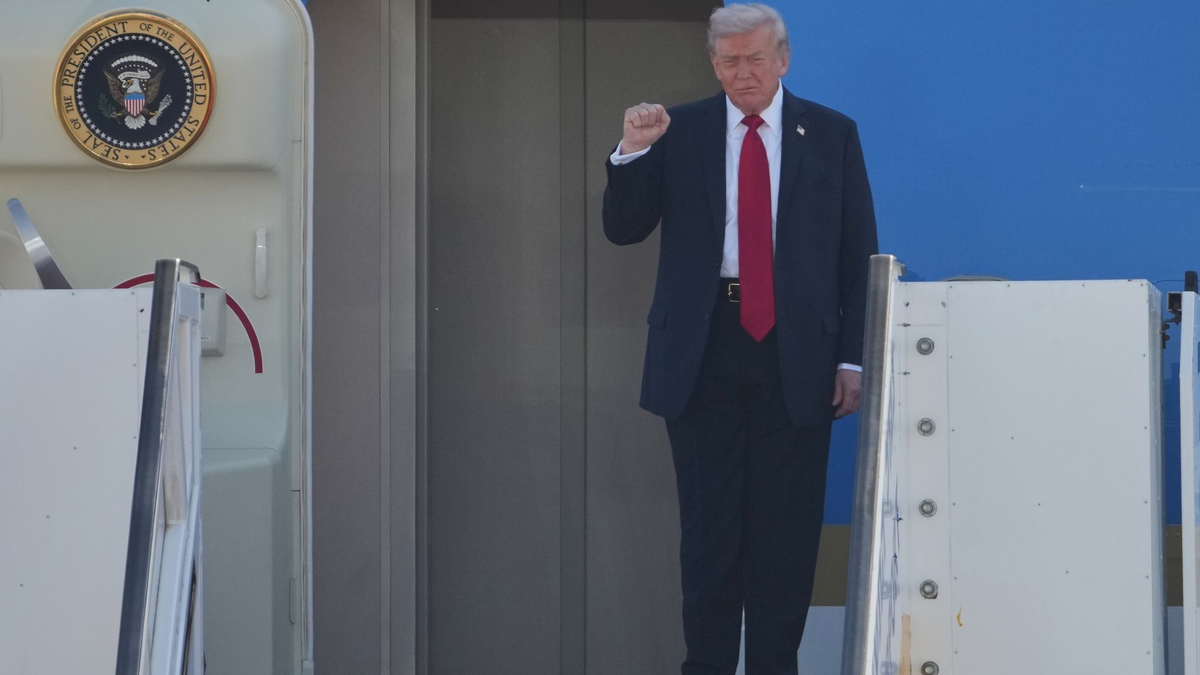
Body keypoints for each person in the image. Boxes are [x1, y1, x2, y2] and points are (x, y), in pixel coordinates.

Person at [602, 4, 878, 674]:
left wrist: (852, 357)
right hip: (705, 351)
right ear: (713, 64)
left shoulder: (832, 132)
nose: (743, 72)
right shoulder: (680, 130)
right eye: (729, 61)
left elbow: (857, 252)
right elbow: (623, 228)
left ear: (783, 59)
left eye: (755, 59)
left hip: (798, 351)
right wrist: (633, 151)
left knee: (786, 535)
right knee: (710, 534)